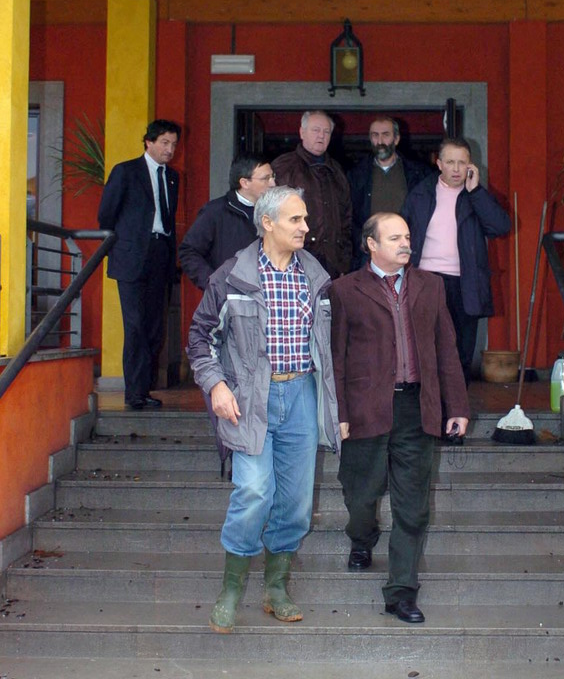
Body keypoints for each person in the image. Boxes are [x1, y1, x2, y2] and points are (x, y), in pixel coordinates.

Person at [187, 185, 340, 634]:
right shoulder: (232, 275)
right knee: (254, 491)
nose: (306, 227)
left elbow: (329, 346)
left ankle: (276, 588)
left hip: (301, 394)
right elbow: (200, 338)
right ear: (267, 223)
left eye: (305, 218)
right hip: (249, 399)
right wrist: (216, 385)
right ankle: (231, 590)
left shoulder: (315, 275)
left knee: (295, 502)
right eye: (296, 219)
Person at [330, 212, 469, 624]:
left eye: (407, 236)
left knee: (413, 507)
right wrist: (338, 412)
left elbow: (446, 348)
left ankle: (401, 592)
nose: (405, 243)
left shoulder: (431, 285)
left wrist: (457, 406)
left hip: (416, 407)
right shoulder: (344, 290)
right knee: (360, 495)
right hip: (364, 408)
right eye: (394, 238)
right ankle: (362, 537)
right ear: (371, 244)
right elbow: (336, 358)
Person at [402, 136, 511, 386]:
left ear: (470, 165)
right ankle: (429, 404)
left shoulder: (476, 196)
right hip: (426, 280)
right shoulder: (420, 193)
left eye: (462, 163)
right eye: (450, 162)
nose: (456, 169)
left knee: (461, 351)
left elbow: (500, 226)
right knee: (427, 349)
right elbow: (402, 230)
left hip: (465, 283)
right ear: (439, 163)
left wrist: (476, 192)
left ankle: (457, 404)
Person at [98, 119, 181, 410]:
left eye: (173, 144)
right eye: (164, 143)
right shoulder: (126, 171)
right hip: (132, 257)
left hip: (160, 254)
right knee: (134, 326)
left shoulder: (172, 177)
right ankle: (134, 394)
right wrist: (123, 245)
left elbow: (169, 218)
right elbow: (106, 214)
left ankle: (144, 390)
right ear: (149, 142)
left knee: (154, 327)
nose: (170, 149)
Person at [272, 111, 352, 278]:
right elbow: (269, 217)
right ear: (302, 132)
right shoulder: (283, 167)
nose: (321, 136)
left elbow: (346, 220)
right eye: (316, 130)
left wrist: (344, 262)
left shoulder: (337, 171)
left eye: (326, 131)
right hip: (293, 261)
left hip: (332, 265)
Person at [179, 153, 275, 289]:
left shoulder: (276, 212)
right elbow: (189, 251)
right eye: (266, 178)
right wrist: (214, 284)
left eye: (273, 177)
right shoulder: (215, 211)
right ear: (245, 183)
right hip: (230, 294)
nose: (273, 183)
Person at [347, 115, 429, 269]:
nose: (380, 141)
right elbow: (350, 217)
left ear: (396, 139)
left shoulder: (418, 174)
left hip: (408, 252)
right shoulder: (356, 175)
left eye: (385, 135)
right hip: (369, 255)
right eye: (375, 135)